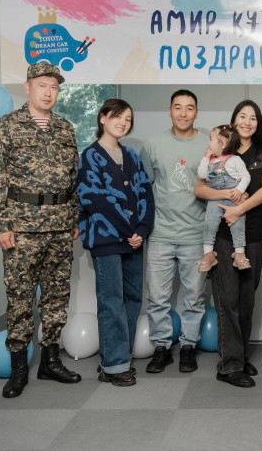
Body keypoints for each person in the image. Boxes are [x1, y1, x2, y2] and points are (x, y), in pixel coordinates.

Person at [0, 63, 82, 398]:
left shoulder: (65, 128)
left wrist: (74, 218)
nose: (48, 92)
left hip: (60, 227)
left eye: (54, 86)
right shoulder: (8, 125)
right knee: (21, 299)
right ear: (27, 87)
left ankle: (50, 362)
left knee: (56, 297)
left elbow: (73, 178)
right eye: (42, 85)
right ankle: (18, 369)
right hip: (21, 229)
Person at [194, 100, 262, 388]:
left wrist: (238, 209)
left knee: (246, 298)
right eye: (242, 116)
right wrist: (229, 197)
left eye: (253, 117)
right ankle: (229, 365)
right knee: (227, 298)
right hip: (222, 234)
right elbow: (199, 188)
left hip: (253, 233)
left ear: (258, 123)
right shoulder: (218, 147)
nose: (247, 122)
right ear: (233, 120)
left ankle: (239, 356)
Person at [76, 99, 155, 387]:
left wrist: (142, 229)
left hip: (134, 239)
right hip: (107, 239)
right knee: (111, 301)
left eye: (128, 119)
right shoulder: (90, 156)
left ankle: (121, 357)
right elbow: (93, 199)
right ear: (103, 118)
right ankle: (113, 365)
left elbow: (145, 192)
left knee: (133, 298)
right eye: (117, 116)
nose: (123, 122)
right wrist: (127, 230)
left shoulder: (131, 156)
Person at [140, 89, 208, 374]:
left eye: (189, 108)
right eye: (177, 107)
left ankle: (188, 346)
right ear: (169, 111)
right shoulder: (152, 145)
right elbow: (146, 187)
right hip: (160, 234)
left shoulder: (209, 143)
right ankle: (162, 347)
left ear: (196, 112)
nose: (183, 113)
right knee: (157, 297)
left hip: (195, 234)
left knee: (194, 298)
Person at [197, 124, 251, 272]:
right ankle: (208, 254)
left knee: (238, 224)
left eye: (211, 140)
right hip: (215, 198)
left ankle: (239, 253)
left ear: (222, 144)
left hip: (234, 199)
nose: (208, 143)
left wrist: (239, 190)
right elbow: (202, 175)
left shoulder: (235, 160)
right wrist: (205, 158)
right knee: (210, 224)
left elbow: (246, 177)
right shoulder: (210, 160)